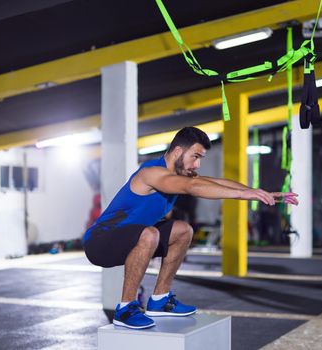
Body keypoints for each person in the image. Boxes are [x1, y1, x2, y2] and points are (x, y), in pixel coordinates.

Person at [83, 126, 298, 329]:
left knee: (183, 230)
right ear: (178, 151)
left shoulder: (180, 175)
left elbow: (217, 183)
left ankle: (159, 299)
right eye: (195, 157)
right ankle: (126, 309)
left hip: (133, 238)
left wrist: (258, 192)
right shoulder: (151, 173)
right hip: (100, 242)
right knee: (150, 233)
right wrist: (244, 195)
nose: (197, 165)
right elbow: (193, 187)